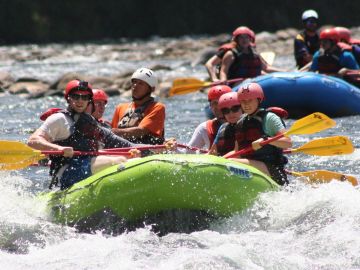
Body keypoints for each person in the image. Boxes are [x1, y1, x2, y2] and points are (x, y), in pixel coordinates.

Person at [28, 79, 141, 190]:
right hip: (67, 173)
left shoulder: (90, 121)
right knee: (118, 161)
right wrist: (59, 148)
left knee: (129, 158)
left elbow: (114, 140)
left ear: (89, 100)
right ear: (68, 98)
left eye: (85, 97)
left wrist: (134, 150)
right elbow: (33, 141)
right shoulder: (59, 119)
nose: (80, 101)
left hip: (88, 165)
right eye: (76, 96)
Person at [231, 83, 292, 185]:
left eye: (249, 100)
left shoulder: (269, 118)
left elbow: (288, 142)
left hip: (271, 170)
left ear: (258, 100)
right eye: (243, 101)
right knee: (229, 162)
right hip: (248, 168)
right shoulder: (240, 122)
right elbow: (236, 152)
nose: (246, 104)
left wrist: (266, 140)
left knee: (232, 163)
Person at [111, 68, 165, 145]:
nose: (135, 85)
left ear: (151, 89)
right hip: (123, 149)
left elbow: (141, 131)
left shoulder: (157, 107)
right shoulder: (121, 107)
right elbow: (112, 132)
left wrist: (113, 132)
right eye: (134, 82)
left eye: (141, 83)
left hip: (147, 150)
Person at [187, 85, 232, 151]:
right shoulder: (205, 128)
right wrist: (173, 147)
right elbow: (187, 153)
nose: (219, 107)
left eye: (223, 102)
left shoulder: (245, 123)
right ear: (210, 106)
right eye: (215, 103)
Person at [208, 92, 242, 156]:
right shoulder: (223, 127)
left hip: (244, 162)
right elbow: (212, 152)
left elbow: (237, 153)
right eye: (226, 111)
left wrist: (221, 159)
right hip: (225, 162)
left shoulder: (247, 124)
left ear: (242, 108)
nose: (231, 113)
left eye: (235, 109)